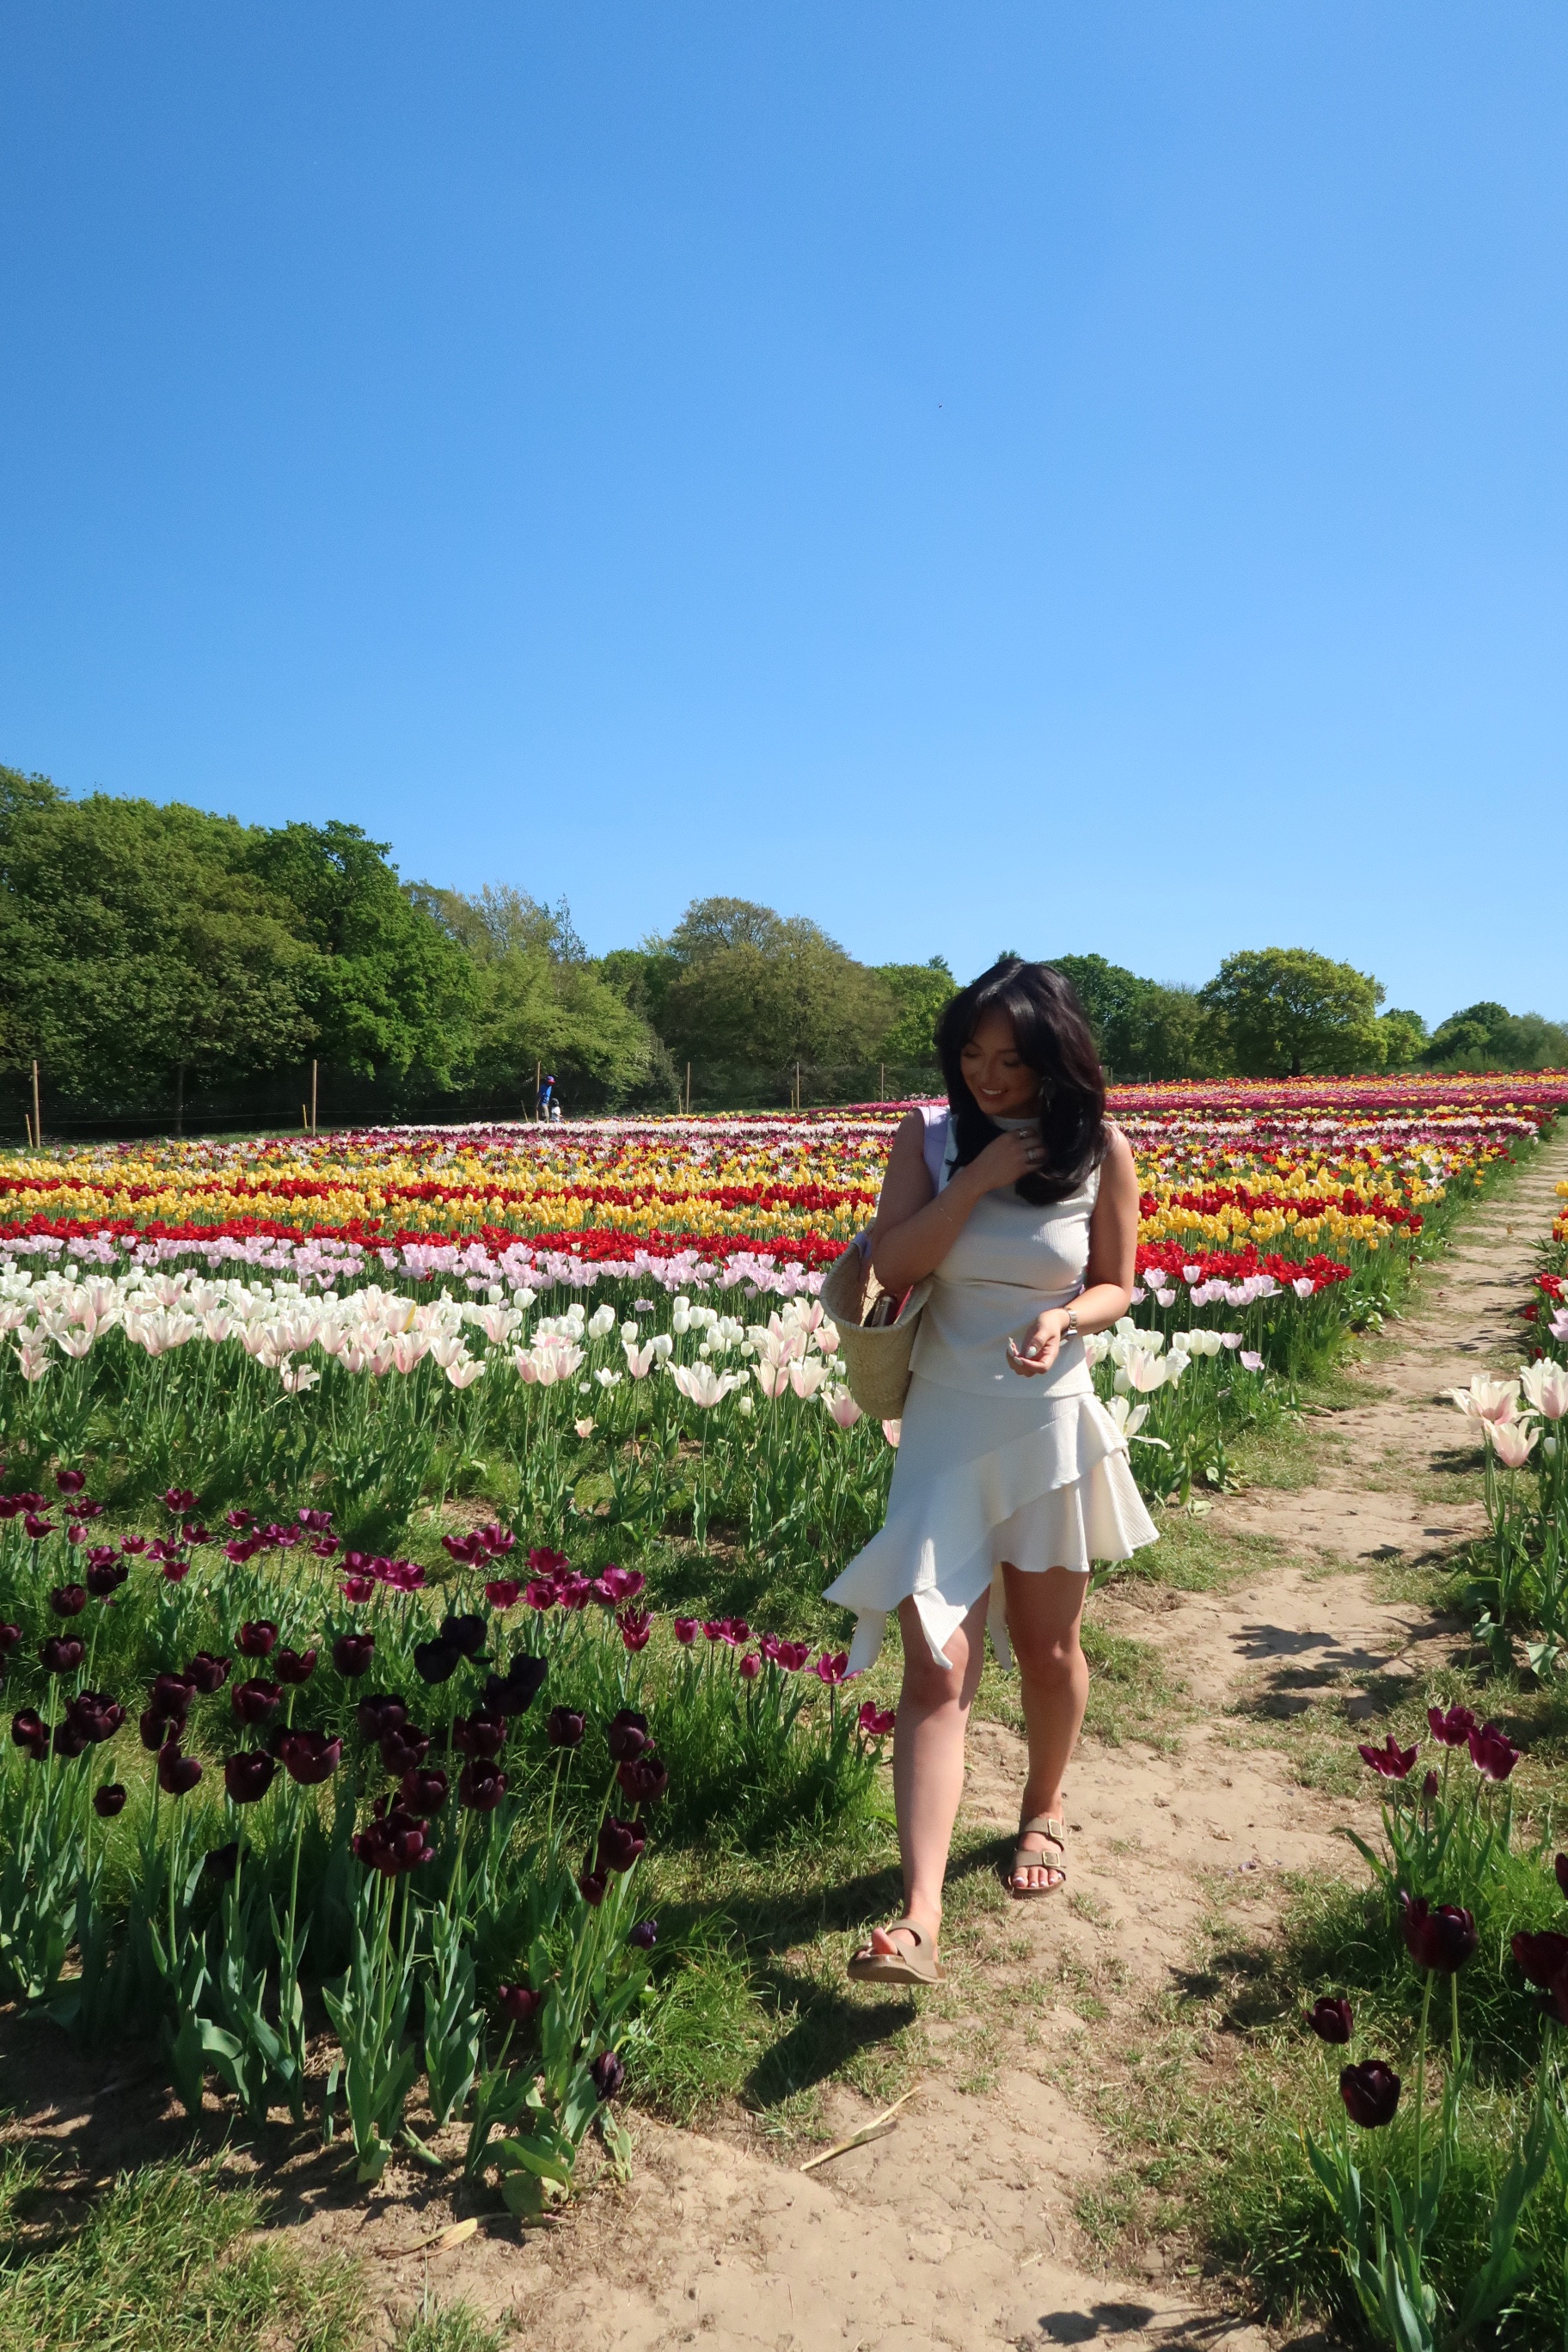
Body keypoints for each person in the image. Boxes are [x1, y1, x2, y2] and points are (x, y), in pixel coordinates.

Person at [825, 959, 1157, 1986]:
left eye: (1009, 1060)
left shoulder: (1101, 1148)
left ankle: (1042, 1809)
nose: (986, 1076)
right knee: (936, 1664)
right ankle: (919, 1915)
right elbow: (892, 1265)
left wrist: (1065, 1318)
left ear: (1056, 1058)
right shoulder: (927, 1137)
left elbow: (1118, 1284)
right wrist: (974, 1178)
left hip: (1050, 1424)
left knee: (1048, 1650)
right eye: (971, 1055)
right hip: (944, 1427)